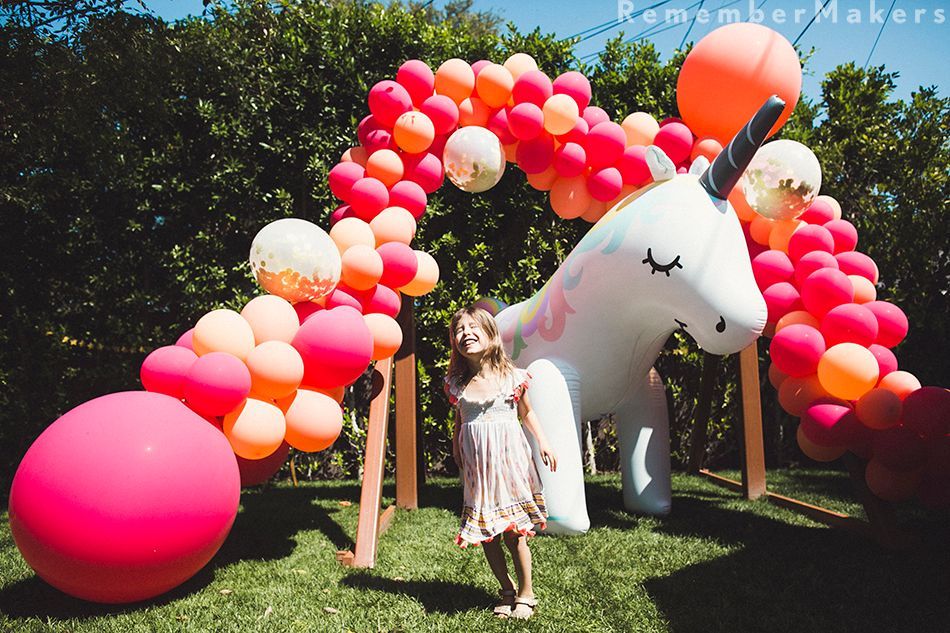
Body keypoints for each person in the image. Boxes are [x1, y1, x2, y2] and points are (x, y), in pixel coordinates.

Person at [444, 306, 558, 620]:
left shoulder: (512, 377)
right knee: (487, 533)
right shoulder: (457, 383)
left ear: (491, 334)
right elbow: (459, 418)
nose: (465, 334)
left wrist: (544, 442)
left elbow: (527, 413)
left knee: (514, 533)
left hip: (510, 466)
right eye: (459, 330)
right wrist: (456, 444)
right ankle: (506, 589)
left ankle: (526, 592)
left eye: (472, 327)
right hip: (478, 470)